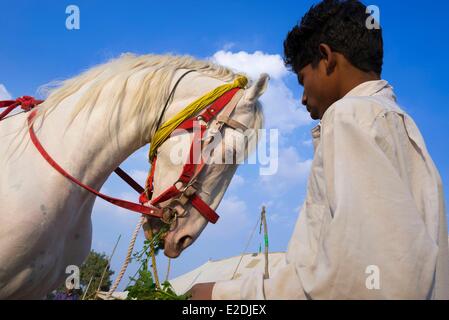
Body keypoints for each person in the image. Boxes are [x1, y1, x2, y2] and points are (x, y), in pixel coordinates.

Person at [189, 0, 449, 299]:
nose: (302, 98)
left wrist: (222, 298)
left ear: (326, 58)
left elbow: (365, 280)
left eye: (302, 80)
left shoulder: (349, 116)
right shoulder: (404, 129)